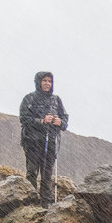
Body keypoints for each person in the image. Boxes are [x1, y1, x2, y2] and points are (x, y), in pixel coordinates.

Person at [19, 71, 68, 207]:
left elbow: (65, 120)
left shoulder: (56, 100)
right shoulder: (29, 99)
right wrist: (41, 120)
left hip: (51, 141)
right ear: (38, 82)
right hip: (32, 141)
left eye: (50, 81)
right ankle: (30, 203)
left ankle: (46, 203)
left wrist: (60, 122)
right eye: (44, 80)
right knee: (32, 172)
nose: (47, 84)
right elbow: (23, 119)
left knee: (47, 173)